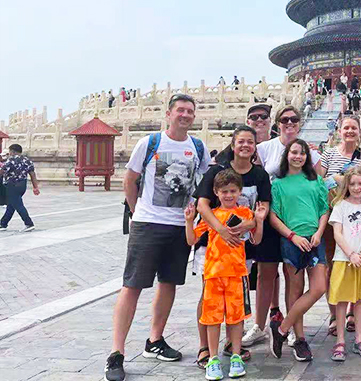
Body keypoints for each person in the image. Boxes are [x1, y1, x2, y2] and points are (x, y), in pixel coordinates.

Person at [104, 94, 211, 381]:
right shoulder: (150, 143)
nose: (185, 115)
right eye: (180, 110)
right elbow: (129, 179)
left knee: (169, 283)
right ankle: (116, 353)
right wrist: (137, 210)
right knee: (133, 285)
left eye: (190, 111)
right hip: (148, 224)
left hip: (180, 226)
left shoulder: (198, 147)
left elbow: (206, 181)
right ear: (169, 113)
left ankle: (155, 340)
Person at [195, 126, 272, 367]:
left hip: (241, 247)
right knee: (208, 296)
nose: (245, 146)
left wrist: (247, 224)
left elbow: (263, 207)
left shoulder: (259, 175)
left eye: (250, 142)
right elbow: (202, 205)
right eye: (241, 141)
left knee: (235, 298)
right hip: (213, 245)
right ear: (233, 143)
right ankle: (205, 348)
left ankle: (231, 344)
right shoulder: (218, 171)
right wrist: (221, 229)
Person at [185, 169, 265, 380]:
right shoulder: (211, 216)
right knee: (212, 318)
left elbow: (256, 239)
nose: (229, 195)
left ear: (239, 192)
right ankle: (213, 357)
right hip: (213, 274)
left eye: (232, 191)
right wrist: (188, 221)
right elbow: (192, 240)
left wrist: (259, 220)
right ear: (216, 192)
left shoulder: (246, 214)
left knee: (236, 317)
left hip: (237, 274)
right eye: (224, 191)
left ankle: (236, 355)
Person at [268, 139, 329, 362]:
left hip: (314, 240)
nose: (298, 157)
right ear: (287, 155)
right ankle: (300, 338)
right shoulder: (279, 184)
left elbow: (324, 210)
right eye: (294, 152)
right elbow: (274, 216)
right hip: (291, 240)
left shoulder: (316, 181)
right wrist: (292, 236)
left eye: (303, 153)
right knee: (295, 290)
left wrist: (319, 233)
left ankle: (282, 328)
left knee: (319, 287)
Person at [317, 116, 361, 335]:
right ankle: (335, 314)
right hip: (332, 214)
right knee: (331, 264)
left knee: (355, 260)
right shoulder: (329, 154)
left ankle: (352, 312)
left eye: (354, 127)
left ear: (359, 130)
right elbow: (317, 181)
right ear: (340, 130)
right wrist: (335, 180)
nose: (350, 131)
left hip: (356, 217)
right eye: (346, 127)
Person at [328, 167, 361, 361]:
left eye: (360, 183)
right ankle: (340, 340)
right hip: (344, 259)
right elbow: (337, 233)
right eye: (352, 184)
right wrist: (351, 254)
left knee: (360, 301)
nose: (356, 187)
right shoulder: (340, 205)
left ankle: (359, 339)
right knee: (342, 301)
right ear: (346, 185)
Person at [257, 106, 321, 179]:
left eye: (294, 119)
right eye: (285, 120)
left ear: (299, 123)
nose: (290, 122)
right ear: (278, 124)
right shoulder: (263, 148)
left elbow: (319, 181)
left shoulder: (310, 150)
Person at [0, 144, 40, 232]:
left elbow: (2, 171)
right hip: (22, 186)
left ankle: (29, 223)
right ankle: (3, 224)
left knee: (18, 205)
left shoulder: (11, 160)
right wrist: (35, 187)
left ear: (13, 151)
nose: (9, 153)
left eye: (10, 151)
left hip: (12, 185)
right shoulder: (27, 160)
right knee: (11, 205)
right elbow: (32, 174)